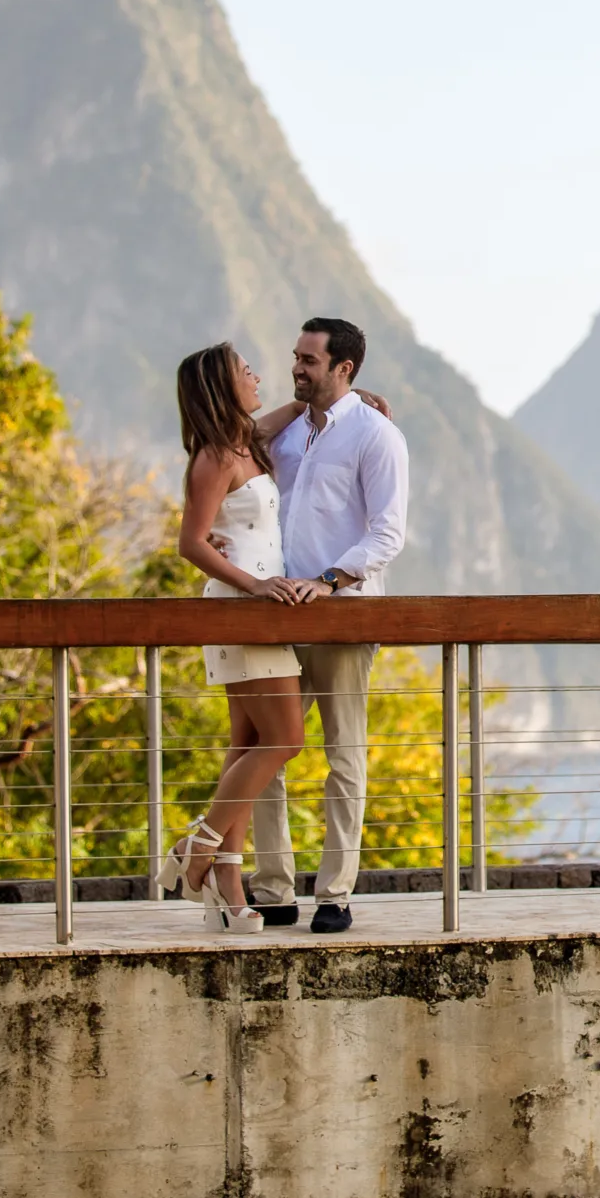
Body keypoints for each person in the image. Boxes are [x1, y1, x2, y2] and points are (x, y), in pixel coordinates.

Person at [248, 316, 409, 935]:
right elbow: (232, 454)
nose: (297, 367)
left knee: (343, 755)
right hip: (278, 616)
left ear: (344, 368)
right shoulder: (287, 436)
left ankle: (335, 894)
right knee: (269, 750)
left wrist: (332, 581)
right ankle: (273, 889)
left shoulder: (376, 435)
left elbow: (388, 532)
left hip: (342, 614)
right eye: (295, 357)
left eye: (310, 361)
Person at [162, 342, 310, 935]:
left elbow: (290, 409)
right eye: (244, 371)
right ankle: (197, 843)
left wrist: (353, 401)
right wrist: (254, 586)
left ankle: (226, 885)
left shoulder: (244, 442)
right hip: (242, 612)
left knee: (248, 746)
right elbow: (191, 542)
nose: (256, 376)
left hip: (256, 611)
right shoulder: (214, 458)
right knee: (287, 738)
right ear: (223, 386)